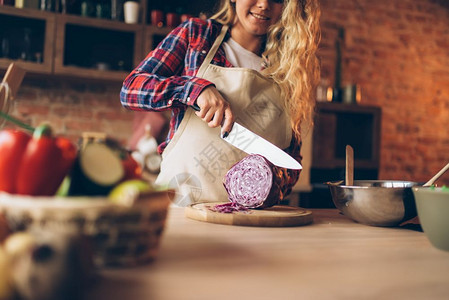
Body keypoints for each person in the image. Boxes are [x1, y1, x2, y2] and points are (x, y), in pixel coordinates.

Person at [120, 0, 321, 206]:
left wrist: (272, 187)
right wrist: (195, 90)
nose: (263, 4)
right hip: (179, 206)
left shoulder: (290, 73)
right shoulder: (198, 36)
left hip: (248, 221)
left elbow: (290, 165)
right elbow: (131, 89)